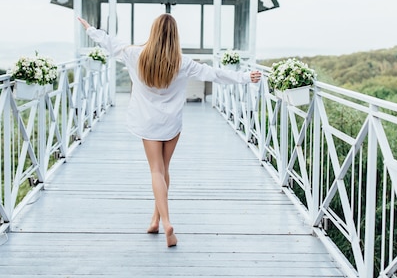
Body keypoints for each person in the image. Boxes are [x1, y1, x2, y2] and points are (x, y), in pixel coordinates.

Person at [78, 14, 261, 248]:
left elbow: (109, 43)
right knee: (164, 170)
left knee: (156, 171)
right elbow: (215, 74)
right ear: (175, 36)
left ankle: (166, 222)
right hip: (171, 123)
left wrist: (90, 29)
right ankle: (155, 220)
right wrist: (245, 77)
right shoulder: (183, 63)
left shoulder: (135, 55)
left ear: (153, 32)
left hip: (147, 122)